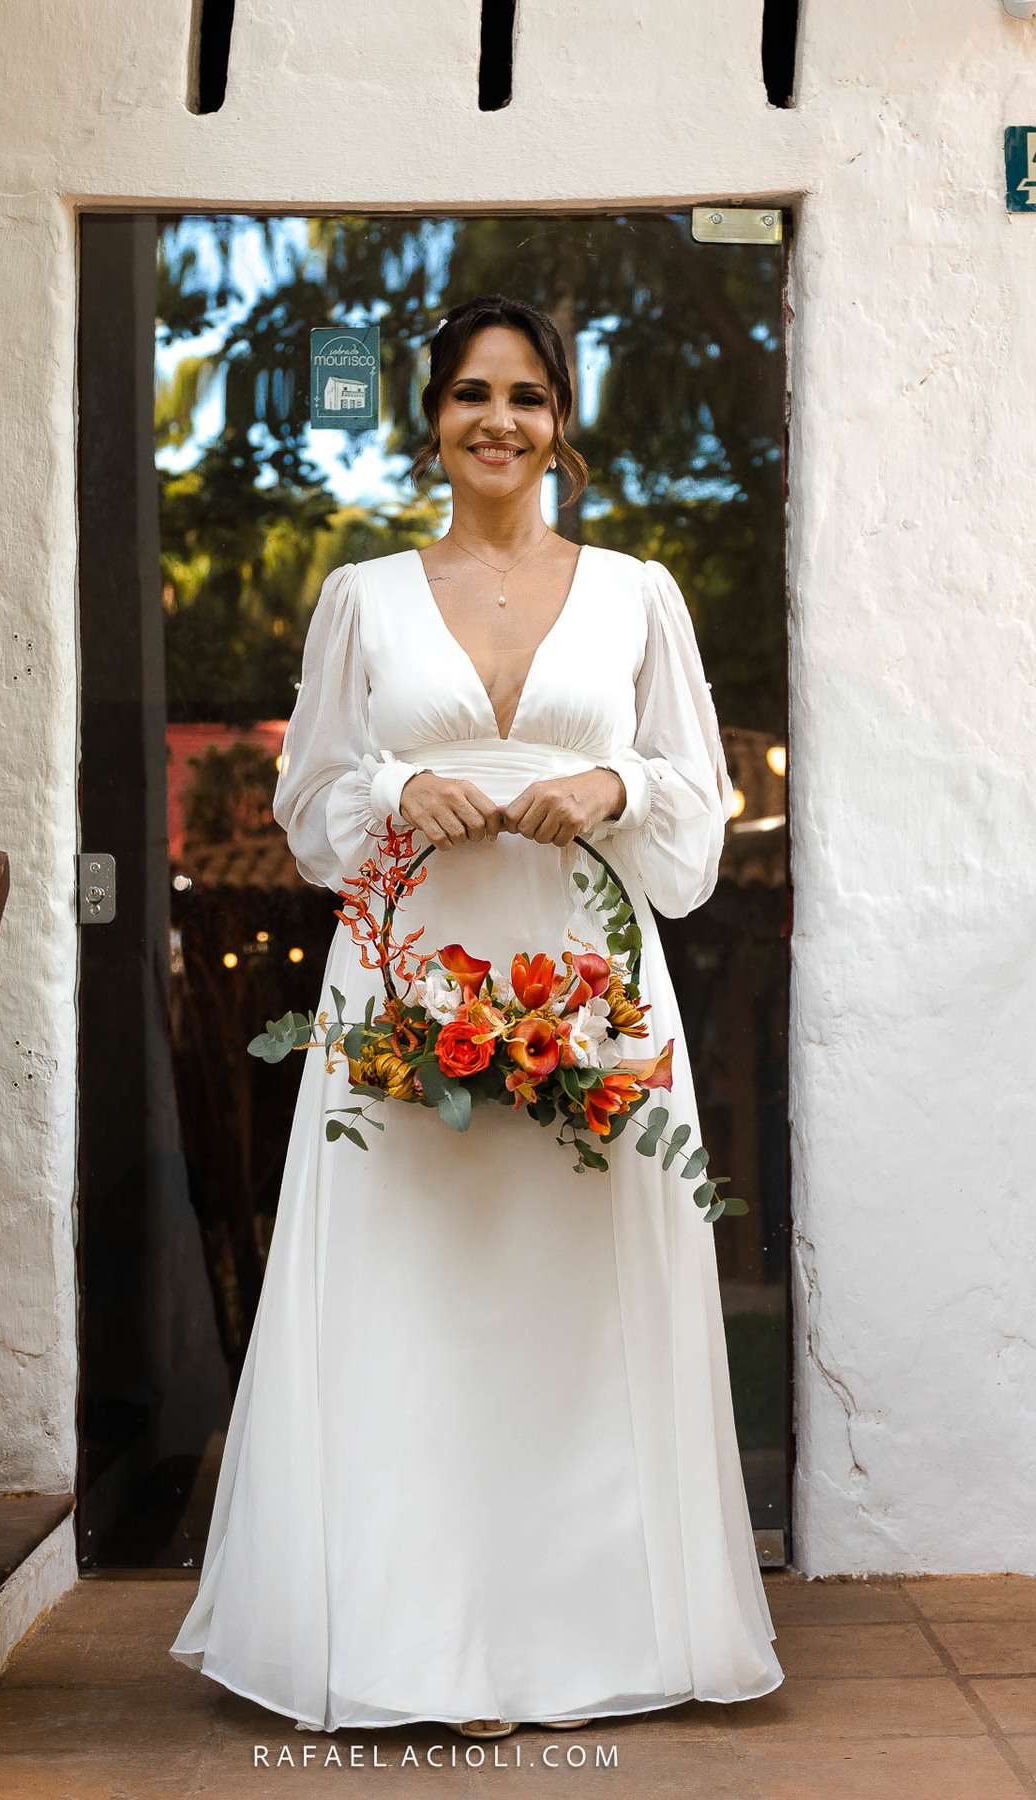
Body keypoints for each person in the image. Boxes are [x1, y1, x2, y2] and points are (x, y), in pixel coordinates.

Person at [170, 295, 784, 1735]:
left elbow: (697, 802)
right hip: (410, 978)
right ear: (432, 419)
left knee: (573, 1298)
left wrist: (614, 785)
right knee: (412, 1291)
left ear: (561, 425)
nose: (498, 421)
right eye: (470, 394)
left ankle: (577, 1636)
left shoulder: (636, 593)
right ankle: (421, 1642)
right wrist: (400, 787)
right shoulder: (363, 597)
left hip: (587, 978)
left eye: (526, 396)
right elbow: (311, 804)